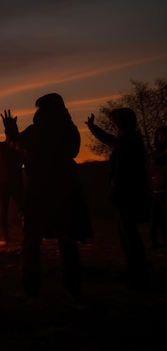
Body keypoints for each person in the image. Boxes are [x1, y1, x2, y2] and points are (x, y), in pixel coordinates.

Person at [5, 94, 91, 300]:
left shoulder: (39, 130)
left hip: (40, 190)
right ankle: (73, 285)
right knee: (66, 238)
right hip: (66, 188)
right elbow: (73, 150)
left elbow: (19, 144)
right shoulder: (69, 129)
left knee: (32, 238)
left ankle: (31, 285)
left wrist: (10, 131)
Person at [86, 109, 150, 289]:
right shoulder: (126, 140)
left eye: (114, 121)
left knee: (128, 233)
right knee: (125, 231)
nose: (113, 125)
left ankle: (138, 271)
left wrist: (115, 186)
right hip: (126, 194)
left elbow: (124, 169)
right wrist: (93, 128)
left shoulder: (129, 142)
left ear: (121, 123)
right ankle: (135, 268)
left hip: (127, 194)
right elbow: (109, 140)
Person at [148, 125, 167, 249]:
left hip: (165, 187)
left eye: (163, 136)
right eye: (159, 136)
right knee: (156, 215)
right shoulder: (156, 153)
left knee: (161, 215)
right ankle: (154, 241)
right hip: (158, 187)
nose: (161, 138)